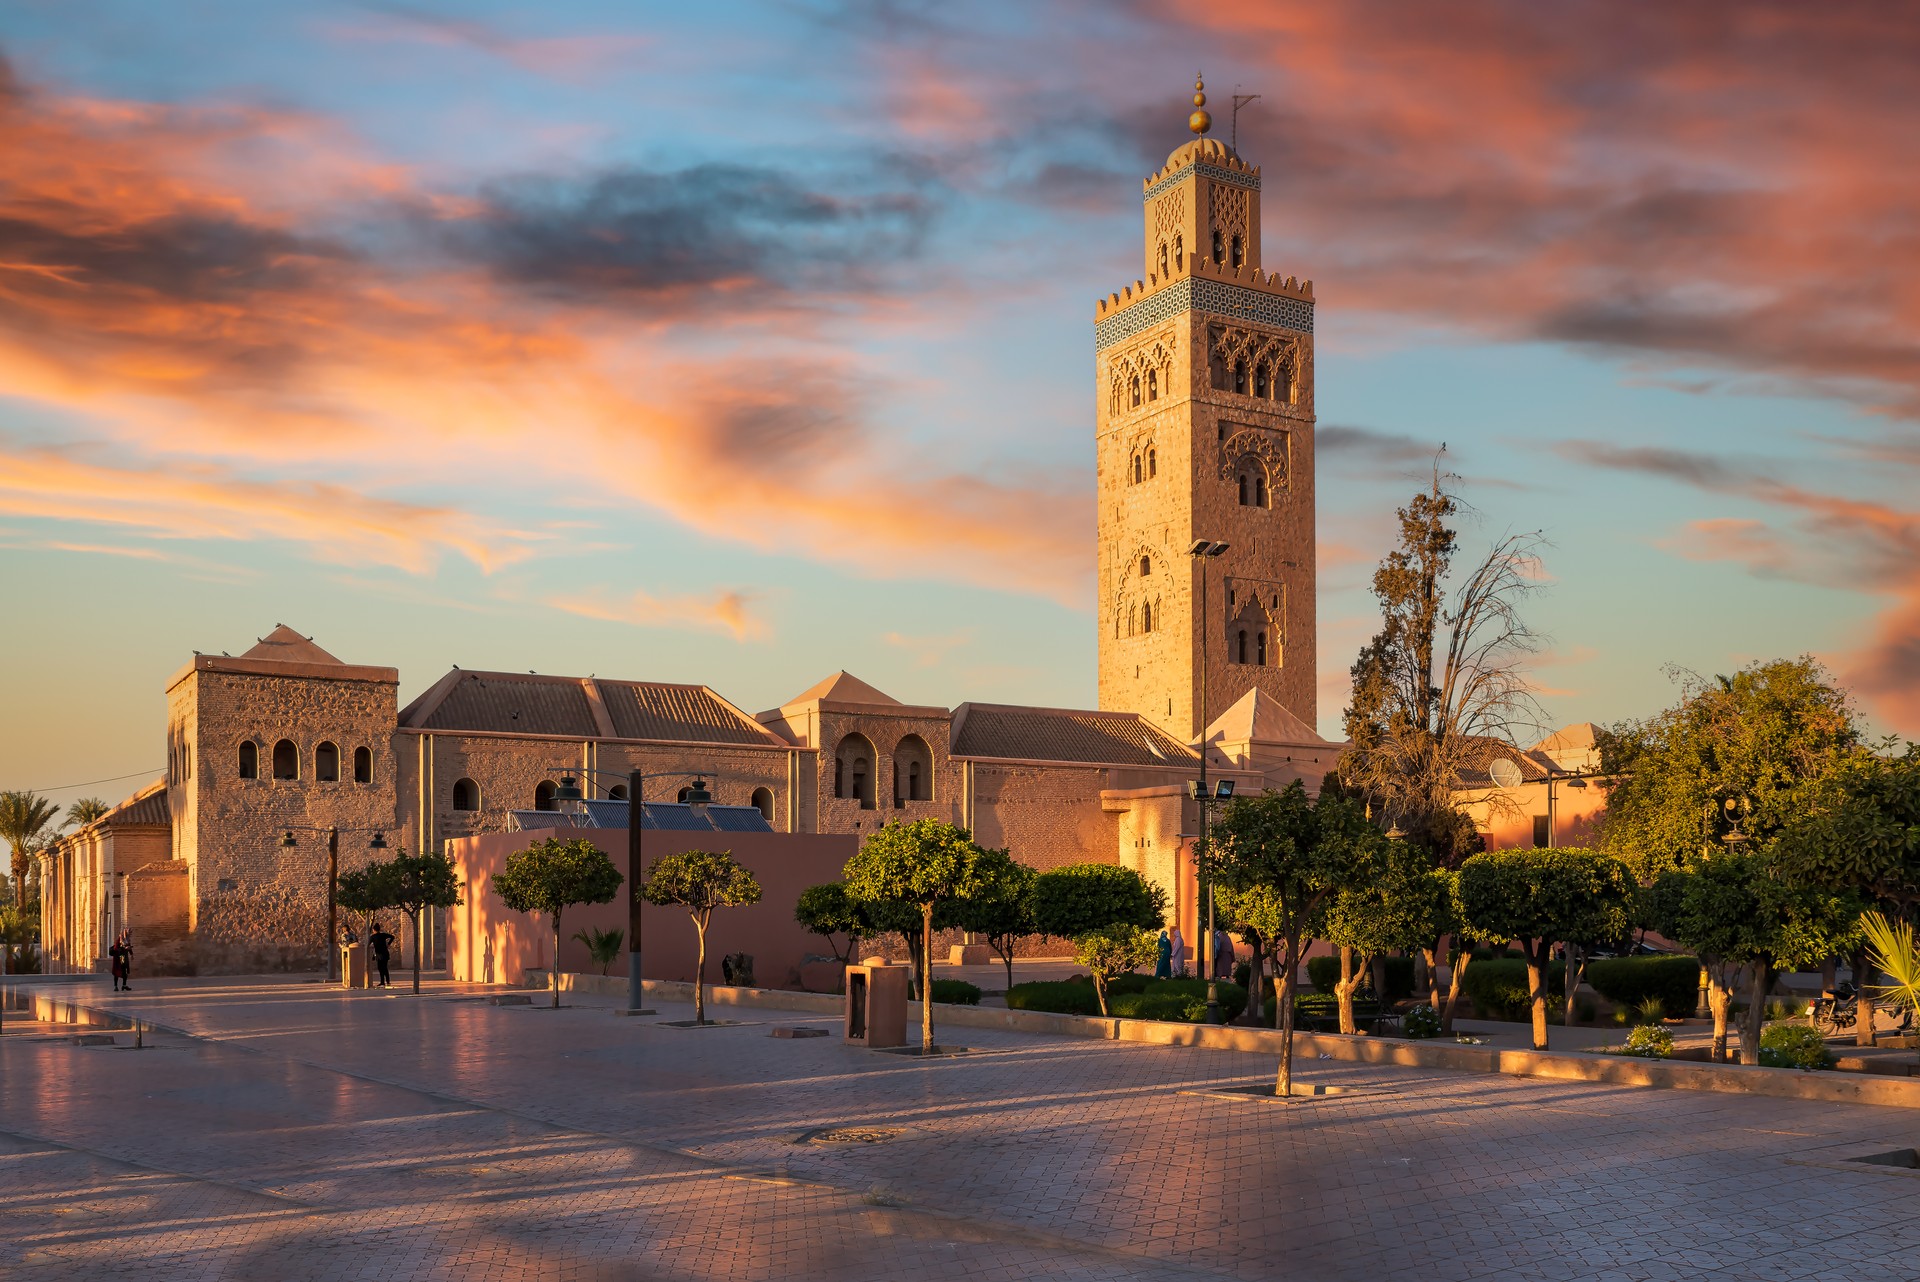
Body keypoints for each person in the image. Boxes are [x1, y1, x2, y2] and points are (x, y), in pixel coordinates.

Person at [369, 921, 395, 988]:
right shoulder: (383, 935)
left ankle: (382, 982)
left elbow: (368, 944)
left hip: (379, 954)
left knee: (380, 968)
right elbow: (392, 937)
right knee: (385, 968)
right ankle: (388, 981)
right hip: (385, 953)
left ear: (374, 930)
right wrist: (388, 944)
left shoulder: (373, 937)